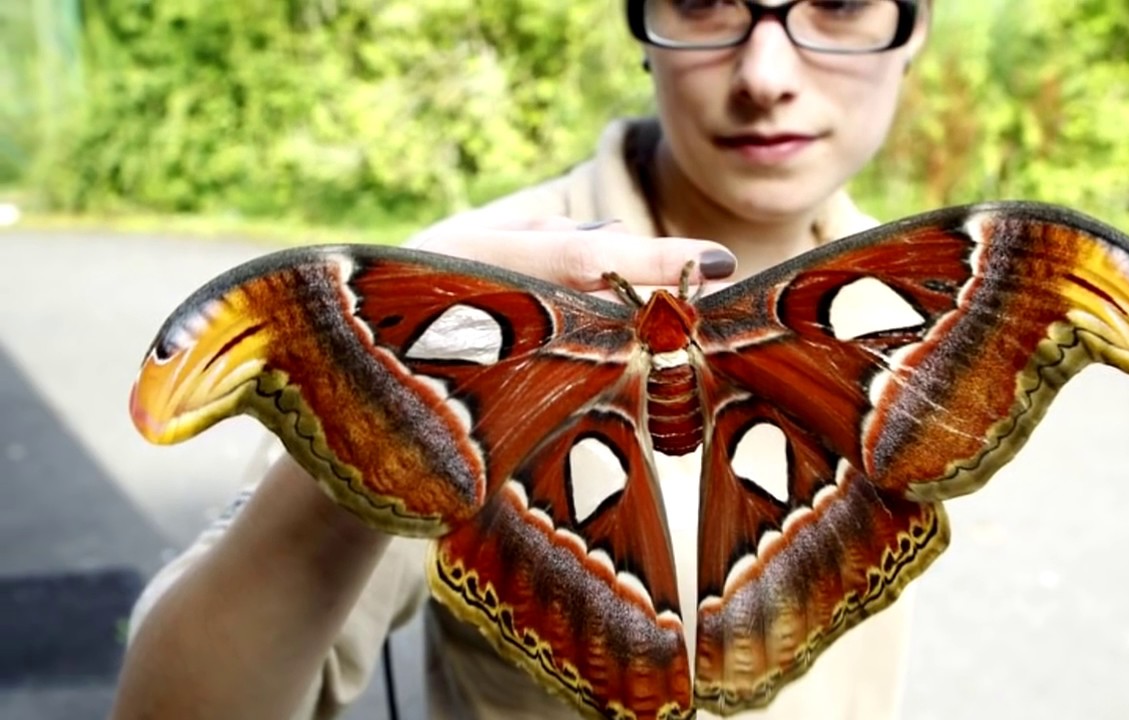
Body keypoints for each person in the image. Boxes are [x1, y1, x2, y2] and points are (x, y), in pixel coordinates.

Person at [111, 1, 933, 718]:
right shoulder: (474, 287)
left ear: (916, 23)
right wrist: (375, 415)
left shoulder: (925, 296)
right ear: (640, 21)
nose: (766, 74)